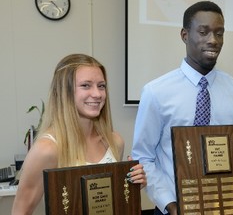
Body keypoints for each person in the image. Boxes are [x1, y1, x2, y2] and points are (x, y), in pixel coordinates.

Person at [132, 1, 233, 215]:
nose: (213, 40)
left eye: (219, 33)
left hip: (225, 206)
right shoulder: (156, 92)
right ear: (185, 35)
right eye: (203, 32)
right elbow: (143, 157)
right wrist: (170, 204)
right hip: (174, 207)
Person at [12, 53, 147, 215]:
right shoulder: (47, 149)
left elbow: (106, 204)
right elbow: (20, 212)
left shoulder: (114, 142)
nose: (97, 94)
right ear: (64, 92)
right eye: (86, 85)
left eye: (101, 86)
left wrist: (131, 187)